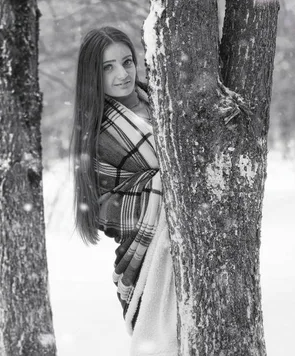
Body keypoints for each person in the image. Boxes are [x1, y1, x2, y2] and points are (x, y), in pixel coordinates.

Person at [70, 26, 178, 356]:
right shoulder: (99, 135)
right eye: (108, 67)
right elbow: (104, 210)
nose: (122, 74)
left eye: (127, 62)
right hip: (143, 256)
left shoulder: (164, 103)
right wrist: (162, 183)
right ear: (93, 74)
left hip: (183, 244)